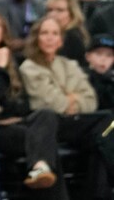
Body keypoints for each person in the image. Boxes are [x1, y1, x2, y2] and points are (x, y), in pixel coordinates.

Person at [0, 11, 63, 193]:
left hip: (16, 123)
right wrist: (0, 67)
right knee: (45, 144)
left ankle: (40, 169)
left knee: (46, 115)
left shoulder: (15, 62)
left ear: (4, 31)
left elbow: (24, 105)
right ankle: (42, 173)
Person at [20, 15, 114, 199]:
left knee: (108, 124)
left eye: (54, 33)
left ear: (60, 40)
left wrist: (67, 99)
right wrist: (71, 98)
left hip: (74, 123)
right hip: (48, 125)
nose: (49, 37)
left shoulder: (69, 65)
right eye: (44, 33)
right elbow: (50, 103)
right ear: (36, 38)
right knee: (47, 114)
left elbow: (90, 101)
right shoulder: (29, 67)